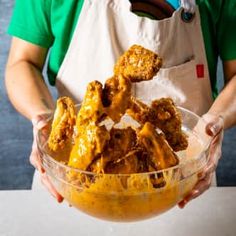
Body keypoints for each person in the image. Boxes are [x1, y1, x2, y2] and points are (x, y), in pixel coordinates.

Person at [5, 0, 236, 208]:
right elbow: (22, 62)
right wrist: (43, 119)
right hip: (71, 184)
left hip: (186, 182)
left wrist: (214, 121)